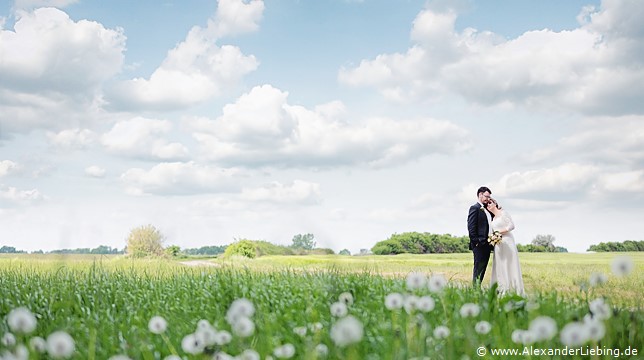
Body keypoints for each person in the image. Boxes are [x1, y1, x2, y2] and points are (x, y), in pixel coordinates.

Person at [486, 198, 525, 295]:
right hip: (498, 244)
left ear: (495, 203)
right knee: (500, 265)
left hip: (507, 241)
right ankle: (502, 288)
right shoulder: (493, 218)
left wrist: (499, 232)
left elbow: (511, 226)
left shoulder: (503, 213)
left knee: (510, 264)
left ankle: (513, 288)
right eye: (487, 205)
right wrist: (493, 237)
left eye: (490, 203)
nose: (488, 205)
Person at [467, 186, 493, 286]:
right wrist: (476, 242)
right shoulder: (475, 208)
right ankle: (475, 290)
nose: (488, 199)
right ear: (480, 195)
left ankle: (477, 289)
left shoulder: (487, 209)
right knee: (478, 269)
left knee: (483, 269)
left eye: (489, 197)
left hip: (487, 244)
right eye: (486, 196)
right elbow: (471, 227)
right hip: (479, 245)